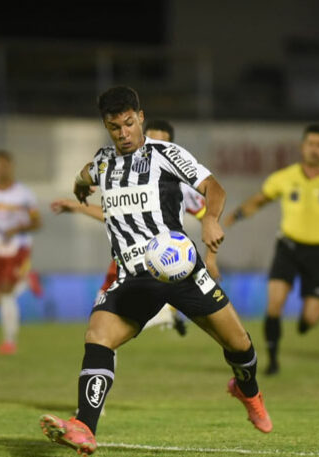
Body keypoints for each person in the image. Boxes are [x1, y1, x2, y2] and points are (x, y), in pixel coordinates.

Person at [39, 86, 272, 457]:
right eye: (114, 127)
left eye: (129, 123)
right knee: (97, 336)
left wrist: (210, 220)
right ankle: (84, 425)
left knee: (239, 345)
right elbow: (85, 175)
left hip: (182, 270)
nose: (123, 133)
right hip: (133, 276)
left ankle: (248, 391)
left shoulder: (166, 155)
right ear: (106, 126)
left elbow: (213, 187)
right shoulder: (103, 163)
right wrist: (80, 188)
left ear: (141, 117)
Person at [50, 119, 221, 335]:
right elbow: (110, 215)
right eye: (152, 139)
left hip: (164, 258)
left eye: (162, 142)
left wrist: (211, 259)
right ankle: (161, 315)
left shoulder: (181, 186)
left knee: (107, 321)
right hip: (128, 257)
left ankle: (162, 314)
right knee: (101, 316)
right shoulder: (122, 175)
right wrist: (77, 207)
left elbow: (209, 217)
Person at [224, 124, 319, 375]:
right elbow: (260, 200)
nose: (315, 150)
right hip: (289, 248)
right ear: (302, 147)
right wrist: (237, 214)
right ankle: (272, 360)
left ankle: (305, 323)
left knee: (312, 318)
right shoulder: (284, 177)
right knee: (274, 305)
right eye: (311, 144)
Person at [0, 150, 42, 355]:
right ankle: (27, 280)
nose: (1, 168)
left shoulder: (24, 194)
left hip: (18, 249)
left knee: (5, 292)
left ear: (11, 166)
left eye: (5, 164)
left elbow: (37, 222)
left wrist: (17, 229)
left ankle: (9, 342)